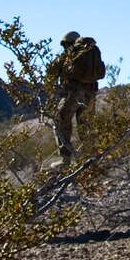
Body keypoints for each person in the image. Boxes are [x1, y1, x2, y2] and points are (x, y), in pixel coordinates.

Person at [46, 31, 106, 164]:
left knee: (61, 122)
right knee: (86, 126)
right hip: (90, 94)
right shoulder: (92, 53)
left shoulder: (70, 54)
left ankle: (65, 159)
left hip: (72, 93)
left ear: (68, 43)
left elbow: (51, 72)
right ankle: (90, 159)